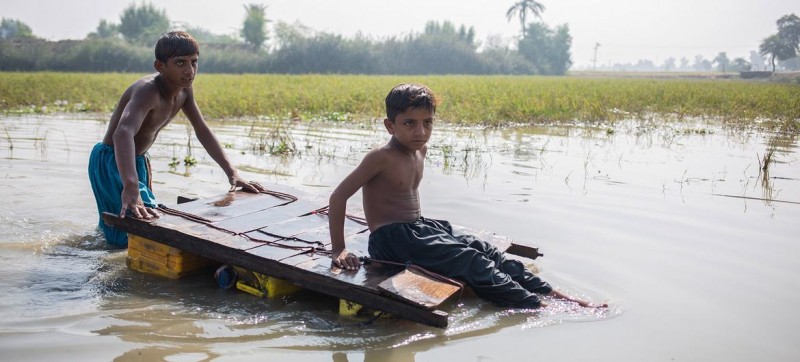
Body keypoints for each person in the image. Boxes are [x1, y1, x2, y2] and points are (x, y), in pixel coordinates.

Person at [328, 83, 606, 309]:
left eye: (428, 123)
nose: (420, 131)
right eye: (409, 123)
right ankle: (536, 306)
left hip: (420, 228)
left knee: (485, 251)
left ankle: (558, 296)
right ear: (390, 126)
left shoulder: (419, 150)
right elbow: (338, 197)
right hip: (393, 239)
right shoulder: (381, 157)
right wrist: (339, 248)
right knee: (472, 261)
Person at [88, 31, 264, 247]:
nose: (190, 70)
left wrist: (232, 173)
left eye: (194, 62)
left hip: (137, 160)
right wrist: (130, 184)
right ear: (160, 66)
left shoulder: (185, 91)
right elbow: (122, 133)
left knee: (136, 220)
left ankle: (101, 246)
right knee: (131, 226)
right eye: (180, 63)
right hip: (112, 160)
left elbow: (202, 130)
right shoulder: (148, 91)